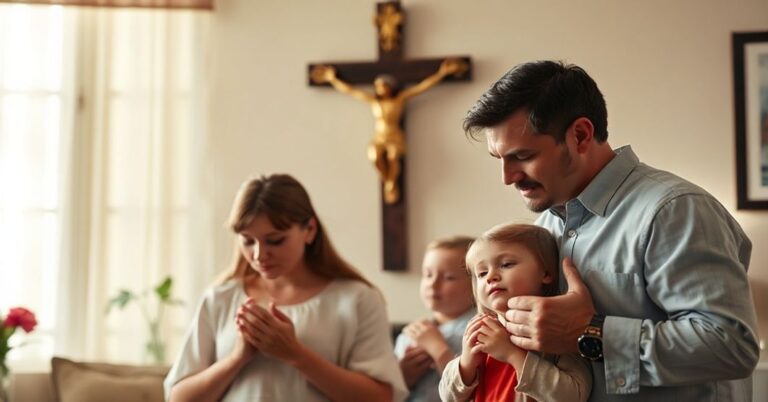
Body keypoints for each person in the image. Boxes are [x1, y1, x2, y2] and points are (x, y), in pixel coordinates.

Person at [461, 60, 760, 401]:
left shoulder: (675, 210)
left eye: (523, 156)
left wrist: (589, 332)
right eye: (498, 158)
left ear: (580, 135)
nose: (507, 176)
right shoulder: (544, 227)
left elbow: (732, 346)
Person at [164, 174, 408, 402]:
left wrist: (294, 354)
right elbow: (179, 397)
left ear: (309, 230)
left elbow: (381, 397)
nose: (259, 254)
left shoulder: (358, 300)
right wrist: (237, 359)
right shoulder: (220, 298)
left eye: (275, 240)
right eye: (248, 241)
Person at [439, 223, 591, 402]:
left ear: (546, 272)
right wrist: (466, 364)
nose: (491, 277)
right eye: (481, 273)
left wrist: (512, 354)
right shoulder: (480, 329)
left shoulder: (559, 329)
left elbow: (572, 396)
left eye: (506, 264)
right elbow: (447, 396)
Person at [310, 58, 468, 204]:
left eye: (383, 85)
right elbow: (351, 91)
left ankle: (391, 184)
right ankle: (388, 181)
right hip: (379, 137)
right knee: (374, 157)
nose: (380, 88)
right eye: (377, 86)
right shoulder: (374, 102)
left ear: (389, 87)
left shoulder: (399, 100)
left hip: (394, 136)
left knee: (393, 158)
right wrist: (333, 79)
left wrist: (441, 73)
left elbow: (422, 87)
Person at [393, 235, 475, 402]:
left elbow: (477, 393)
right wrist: (403, 377)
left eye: (449, 277)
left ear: (476, 282)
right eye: (428, 274)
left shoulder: (479, 330)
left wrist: (439, 351)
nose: (433, 284)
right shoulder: (410, 334)